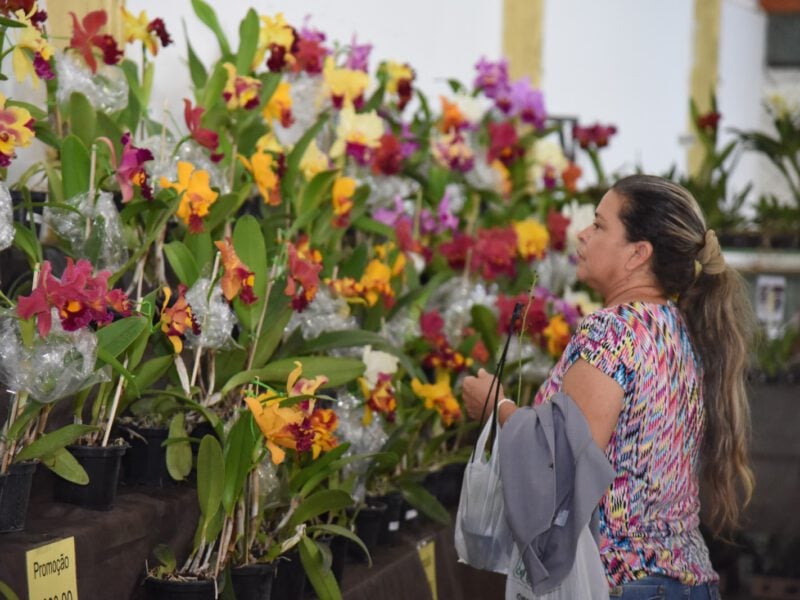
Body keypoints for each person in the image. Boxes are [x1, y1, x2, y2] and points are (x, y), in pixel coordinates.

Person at [463, 174, 755, 599]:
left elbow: (561, 462)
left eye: (599, 225)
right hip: (685, 579)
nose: (583, 233)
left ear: (638, 253)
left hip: (621, 582)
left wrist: (498, 407)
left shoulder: (612, 330)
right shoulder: (679, 328)